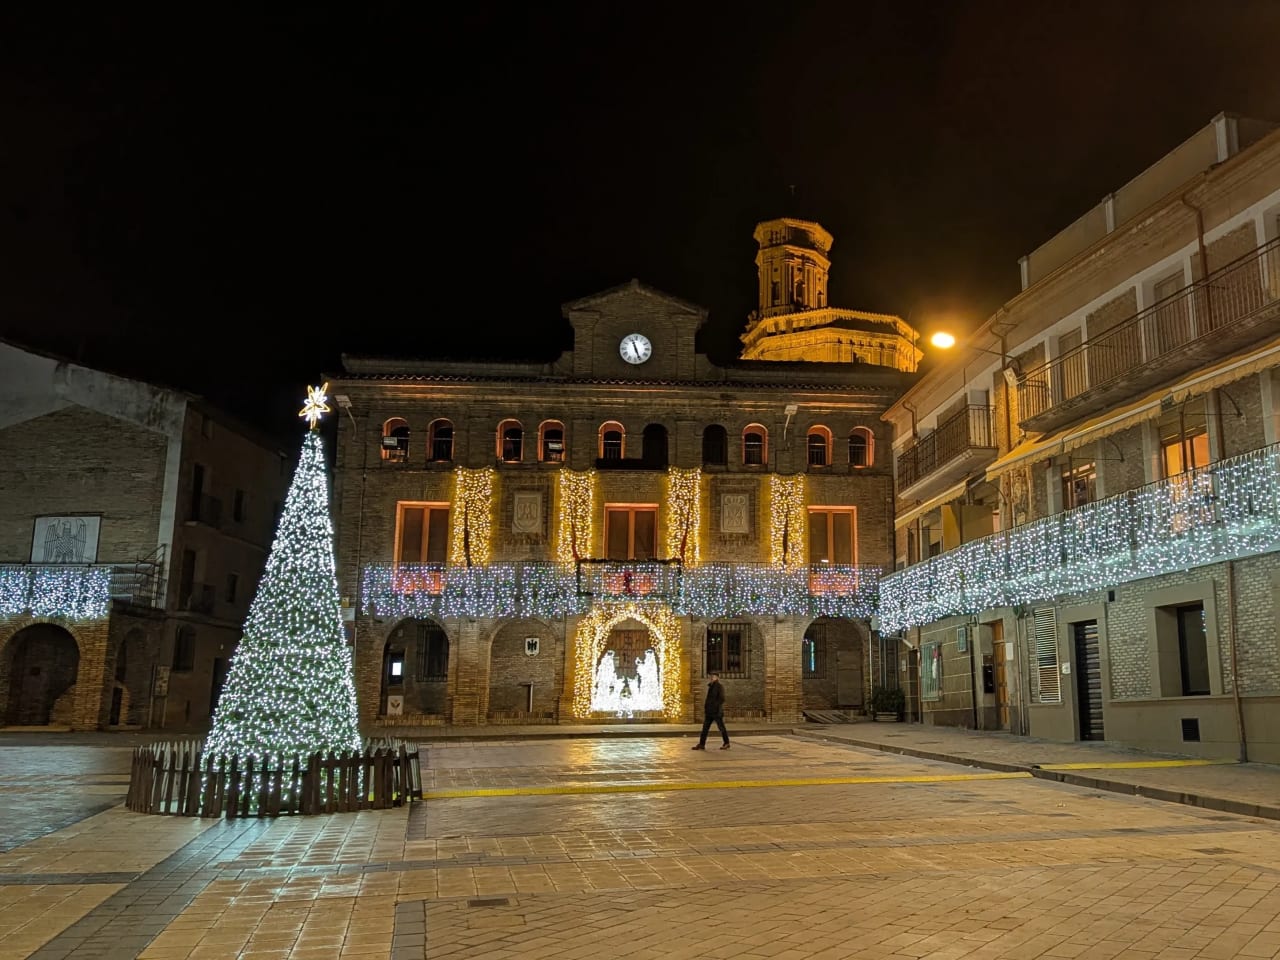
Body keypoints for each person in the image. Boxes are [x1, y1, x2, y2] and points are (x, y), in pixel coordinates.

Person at [691, 671, 730, 750]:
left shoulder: (719, 687)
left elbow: (722, 699)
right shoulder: (711, 686)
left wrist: (715, 707)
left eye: (714, 676)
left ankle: (726, 743)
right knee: (705, 728)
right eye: (711, 676)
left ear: (717, 678)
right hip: (709, 712)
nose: (712, 678)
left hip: (716, 712)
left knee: (721, 728)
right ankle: (702, 744)